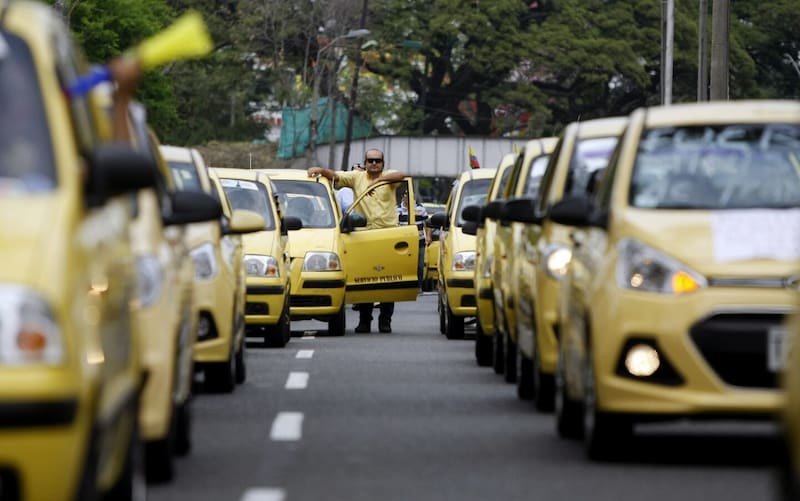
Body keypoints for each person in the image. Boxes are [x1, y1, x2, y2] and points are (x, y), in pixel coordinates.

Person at [307, 148, 406, 333]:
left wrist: (379, 181)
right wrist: (320, 170)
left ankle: (385, 320)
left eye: (377, 161)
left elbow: (403, 175)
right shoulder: (356, 178)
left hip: (388, 236)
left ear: (383, 163)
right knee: (365, 280)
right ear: (365, 163)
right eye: (370, 161)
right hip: (365, 237)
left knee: (388, 280)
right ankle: (364, 321)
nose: (374, 164)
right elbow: (335, 176)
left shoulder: (389, 176)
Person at [397, 191, 430, 290]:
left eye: (409, 196)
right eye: (405, 196)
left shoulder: (420, 208)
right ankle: (404, 286)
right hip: (404, 243)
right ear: (402, 197)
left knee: (419, 265)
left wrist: (428, 236)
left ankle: (418, 287)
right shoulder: (397, 209)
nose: (407, 198)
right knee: (404, 264)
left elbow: (427, 223)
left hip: (419, 241)